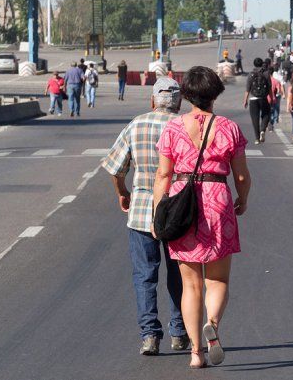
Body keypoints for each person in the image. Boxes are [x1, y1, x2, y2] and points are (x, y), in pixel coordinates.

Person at [152, 66, 251, 369]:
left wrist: (159, 215)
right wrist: (242, 199)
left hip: (184, 202)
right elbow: (242, 176)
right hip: (217, 199)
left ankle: (196, 353)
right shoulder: (229, 128)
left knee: (190, 284)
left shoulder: (172, 128)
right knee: (218, 279)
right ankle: (212, 324)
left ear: (187, 95)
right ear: (215, 94)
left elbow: (163, 174)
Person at [102, 77, 189, 356]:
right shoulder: (186, 126)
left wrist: (123, 192)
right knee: (179, 274)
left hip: (141, 210)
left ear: (152, 100)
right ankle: (179, 332)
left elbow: (116, 168)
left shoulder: (136, 124)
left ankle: (150, 336)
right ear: (179, 102)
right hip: (178, 211)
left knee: (144, 275)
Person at [243, 58, 272, 144]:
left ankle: (257, 139)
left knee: (255, 119)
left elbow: (247, 89)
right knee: (266, 114)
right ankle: (262, 130)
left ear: (254, 64)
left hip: (253, 99)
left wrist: (245, 100)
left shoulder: (251, 74)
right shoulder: (266, 74)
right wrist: (271, 97)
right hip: (263, 98)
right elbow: (269, 88)